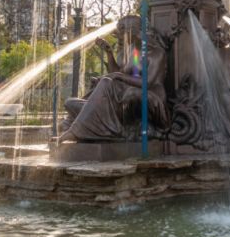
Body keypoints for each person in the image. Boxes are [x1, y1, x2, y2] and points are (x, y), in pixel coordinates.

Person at [58, 15, 168, 143]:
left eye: (122, 30)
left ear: (133, 30)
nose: (118, 35)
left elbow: (148, 83)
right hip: (125, 93)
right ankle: (95, 124)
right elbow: (122, 73)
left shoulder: (156, 54)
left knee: (109, 83)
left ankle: (76, 130)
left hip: (151, 97)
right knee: (70, 102)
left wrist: (118, 76)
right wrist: (109, 53)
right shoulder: (133, 51)